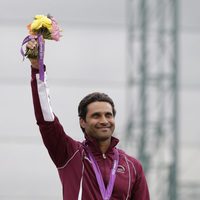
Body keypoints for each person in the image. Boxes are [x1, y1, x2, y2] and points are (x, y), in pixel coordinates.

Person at [27, 38, 150, 200]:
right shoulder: (69, 154)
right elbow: (46, 120)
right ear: (82, 121)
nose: (104, 120)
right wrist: (37, 68)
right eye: (96, 115)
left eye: (108, 115)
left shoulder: (132, 167)